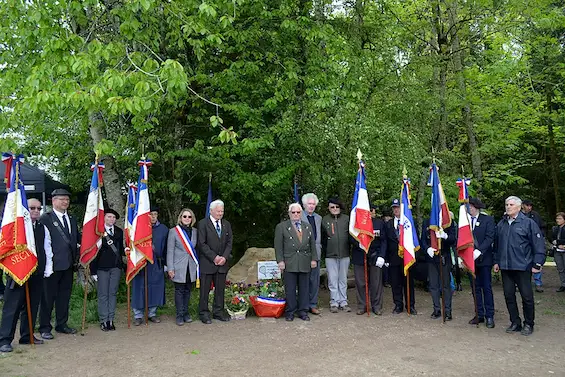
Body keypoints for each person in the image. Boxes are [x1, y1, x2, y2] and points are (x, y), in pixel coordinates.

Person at [0, 199, 53, 352]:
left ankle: (27, 335)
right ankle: (4, 339)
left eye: (38, 208)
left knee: (32, 305)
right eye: (32, 208)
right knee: (12, 307)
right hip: (18, 271)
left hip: (36, 272)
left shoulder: (42, 227)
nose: (36, 210)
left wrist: (48, 268)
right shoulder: (15, 228)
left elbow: (47, 248)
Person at [494, 196, 545, 336]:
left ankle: (529, 323)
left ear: (518, 207)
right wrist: (496, 261)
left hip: (523, 266)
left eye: (511, 204)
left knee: (527, 297)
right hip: (506, 266)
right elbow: (497, 245)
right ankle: (515, 322)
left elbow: (538, 244)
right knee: (509, 296)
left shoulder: (528, 223)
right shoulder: (501, 224)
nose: (508, 207)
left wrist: (537, 263)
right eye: (506, 204)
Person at [39, 189, 80, 339]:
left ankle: (62, 324)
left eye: (67, 200)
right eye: (62, 199)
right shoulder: (46, 218)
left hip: (68, 265)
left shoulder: (72, 218)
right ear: (53, 201)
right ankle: (44, 327)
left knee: (64, 297)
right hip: (52, 266)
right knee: (48, 297)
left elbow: (76, 239)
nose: (65, 202)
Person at [275, 203, 317, 321]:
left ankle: (303, 311)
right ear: (289, 213)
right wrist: (280, 261)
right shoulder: (281, 227)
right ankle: (290, 311)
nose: (296, 214)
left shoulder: (307, 226)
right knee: (290, 289)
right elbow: (278, 246)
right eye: (293, 212)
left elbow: (312, 244)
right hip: (290, 261)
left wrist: (314, 258)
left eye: (298, 212)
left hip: (304, 260)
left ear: (301, 213)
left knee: (304, 288)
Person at [131, 206, 168, 325]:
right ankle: (138, 315)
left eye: (155, 214)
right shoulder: (138, 228)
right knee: (139, 287)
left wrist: (166, 264)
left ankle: (152, 313)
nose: (153, 217)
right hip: (140, 262)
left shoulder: (163, 229)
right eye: (150, 214)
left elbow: (167, 248)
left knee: (155, 287)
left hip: (156, 262)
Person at [197, 200, 232, 324]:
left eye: (222, 211)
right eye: (218, 211)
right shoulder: (202, 224)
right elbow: (201, 243)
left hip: (222, 263)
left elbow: (229, 243)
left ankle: (218, 312)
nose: (220, 213)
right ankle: (204, 313)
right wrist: (214, 257)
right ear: (211, 211)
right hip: (208, 262)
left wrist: (224, 257)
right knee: (205, 290)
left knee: (220, 290)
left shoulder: (226, 224)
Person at [90, 208, 124, 332]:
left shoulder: (119, 232)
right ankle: (104, 320)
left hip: (115, 267)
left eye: (113, 218)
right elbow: (93, 253)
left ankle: (111, 319)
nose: (111, 219)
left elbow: (120, 250)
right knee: (103, 294)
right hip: (101, 268)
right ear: (104, 218)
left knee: (112, 293)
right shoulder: (98, 232)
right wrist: (93, 271)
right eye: (109, 217)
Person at [467, 197, 496, 328]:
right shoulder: (465, 221)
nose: (470, 209)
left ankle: (489, 315)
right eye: (468, 207)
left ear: (477, 207)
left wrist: (479, 251)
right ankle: (479, 314)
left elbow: (490, 237)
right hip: (470, 260)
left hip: (484, 259)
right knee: (475, 288)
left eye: (472, 207)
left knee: (486, 287)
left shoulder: (487, 220)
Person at [167, 208, 198, 326]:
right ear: (180, 218)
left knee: (188, 290)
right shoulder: (174, 231)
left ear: (192, 219)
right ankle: (179, 315)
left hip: (191, 267)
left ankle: (186, 313)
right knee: (179, 291)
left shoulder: (195, 231)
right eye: (184, 216)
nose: (187, 219)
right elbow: (170, 251)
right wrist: (170, 268)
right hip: (178, 266)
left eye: (189, 217)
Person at [421, 217, 456, 320]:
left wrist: (445, 236)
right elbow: (423, 239)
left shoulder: (448, 221)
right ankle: (437, 309)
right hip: (432, 258)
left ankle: (448, 311)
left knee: (446, 286)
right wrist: (427, 249)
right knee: (433, 285)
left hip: (444, 257)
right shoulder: (426, 221)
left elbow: (453, 239)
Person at [352, 213, 387, 315]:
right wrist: (359, 243)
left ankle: (376, 306)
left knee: (376, 283)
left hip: (375, 256)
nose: (371, 212)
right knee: (360, 282)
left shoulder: (379, 223)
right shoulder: (356, 222)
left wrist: (382, 256)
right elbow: (351, 236)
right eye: (369, 209)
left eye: (373, 210)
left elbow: (384, 241)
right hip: (360, 255)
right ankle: (362, 305)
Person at [385, 199, 416, 314]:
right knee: (395, 284)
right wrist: (386, 258)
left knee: (408, 283)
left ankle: (410, 305)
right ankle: (398, 305)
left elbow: (414, 240)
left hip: (407, 258)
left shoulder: (409, 222)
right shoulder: (388, 224)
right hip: (393, 258)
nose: (396, 210)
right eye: (394, 208)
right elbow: (385, 242)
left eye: (398, 207)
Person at [321, 197, 351, 313]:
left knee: (343, 279)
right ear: (328, 208)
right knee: (332, 280)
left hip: (344, 253)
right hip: (330, 255)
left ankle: (343, 301)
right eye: (332, 207)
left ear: (340, 207)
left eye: (337, 207)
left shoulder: (346, 219)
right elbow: (322, 238)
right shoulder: (324, 220)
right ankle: (334, 302)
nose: (334, 209)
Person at [301, 193, 322, 315]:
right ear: (304, 205)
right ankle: (303, 305)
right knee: (304, 280)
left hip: (316, 253)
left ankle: (312, 304)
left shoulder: (319, 218)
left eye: (313, 204)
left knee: (314, 281)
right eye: (309, 204)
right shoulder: (298, 216)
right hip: (303, 254)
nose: (311, 206)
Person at [522, 199, 546, 292]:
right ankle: (521, 283)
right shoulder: (517, 215)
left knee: (537, 261)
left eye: (530, 206)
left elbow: (542, 226)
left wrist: (541, 236)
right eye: (527, 205)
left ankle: (538, 283)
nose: (529, 207)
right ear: (522, 205)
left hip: (535, 242)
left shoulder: (535, 215)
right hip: (523, 244)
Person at [551, 212, 565, 292]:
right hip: (557, 251)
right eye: (557, 218)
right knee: (560, 268)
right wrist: (555, 243)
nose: (558, 220)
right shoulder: (555, 228)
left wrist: (559, 242)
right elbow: (551, 238)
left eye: (560, 219)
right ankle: (563, 284)